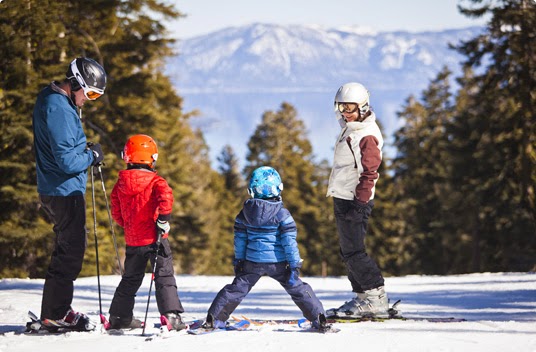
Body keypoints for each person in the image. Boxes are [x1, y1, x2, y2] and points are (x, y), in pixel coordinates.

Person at [32, 57, 107, 331]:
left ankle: (56, 309)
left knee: (67, 248)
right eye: (89, 93)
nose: (89, 100)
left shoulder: (53, 99)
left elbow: (62, 145)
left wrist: (81, 149)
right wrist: (91, 156)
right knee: (71, 251)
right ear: (74, 83)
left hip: (57, 188)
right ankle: (56, 313)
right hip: (63, 190)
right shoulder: (59, 109)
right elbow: (66, 162)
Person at [205, 166, 329, 331]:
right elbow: (289, 242)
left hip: (251, 262)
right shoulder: (283, 214)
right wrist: (294, 264)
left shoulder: (243, 214)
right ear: (278, 188)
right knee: (298, 288)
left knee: (236, 290)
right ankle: (318, 318)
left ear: (252, 190)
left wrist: (239, 260)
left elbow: (240, 240)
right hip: (278, 263)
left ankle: (214, 318)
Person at [107, 134, 186, 331]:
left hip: (134, 241)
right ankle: (171, 317)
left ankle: (119, 317)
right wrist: (163, 220)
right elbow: (166, 197)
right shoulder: (156, 181)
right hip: (156, 238)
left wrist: (130, 226)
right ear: (151, 158)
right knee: (164, 276)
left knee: (131, 278)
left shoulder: (120, 184)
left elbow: (116, 212)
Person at [325, 82, 389, 318]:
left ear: (363, 107)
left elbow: (370, 172)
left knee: (355, 252)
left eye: (350, 107)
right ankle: (363, 298)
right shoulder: (352, 128)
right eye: (341, 107)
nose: (345, 112)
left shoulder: (365, 135)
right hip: (344, 198)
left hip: (354, 201)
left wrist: (360, 205)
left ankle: (376, 298)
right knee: (348, 251)